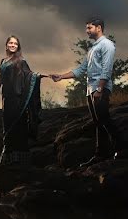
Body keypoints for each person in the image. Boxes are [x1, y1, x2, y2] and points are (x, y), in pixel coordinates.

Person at [50, 18, 123, 168]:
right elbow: (81, 69)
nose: (87, 31)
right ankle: (100, 155)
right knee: (98, 123)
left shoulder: (107, 45)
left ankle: (121, 149)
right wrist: (61, 76)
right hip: (90, 90)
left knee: (104, 119)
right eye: (86, 28)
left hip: (99, 88)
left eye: (89, 28)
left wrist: (100, 89)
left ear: (99, 28)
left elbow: (107, 68)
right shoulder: (92, 49)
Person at [0, 35, 44, 167]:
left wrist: (40, 76)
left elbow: (30, 75)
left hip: (18, 99)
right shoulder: (3, 61)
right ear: (7, 45)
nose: (13, 45)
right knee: (7, 125)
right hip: (6, 98)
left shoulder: (21, 61)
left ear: (18, 46)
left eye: (15, 43)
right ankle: (9, 157)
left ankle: (19, 158)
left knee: (18, 126)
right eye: (11, 43)